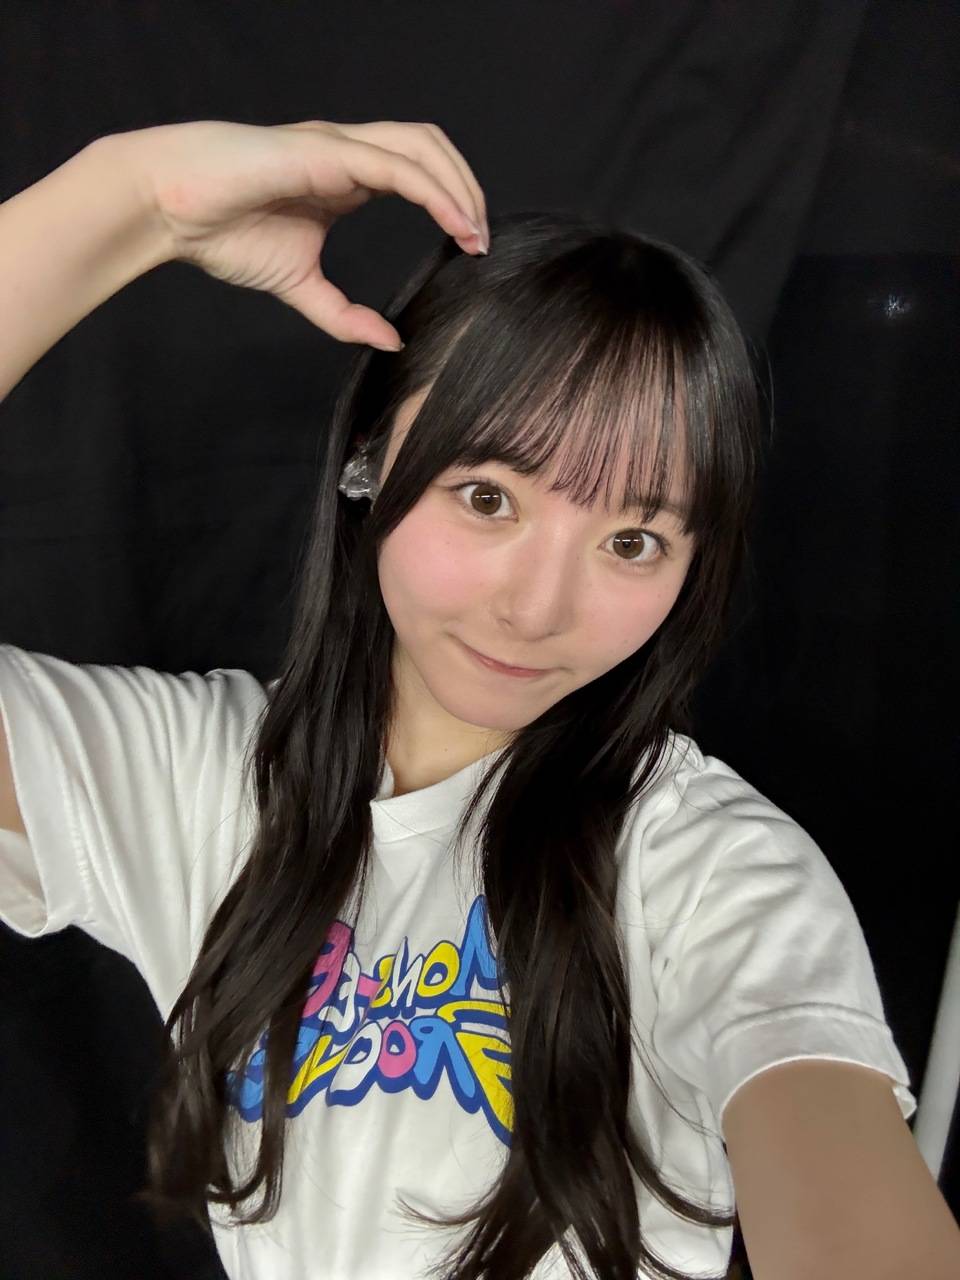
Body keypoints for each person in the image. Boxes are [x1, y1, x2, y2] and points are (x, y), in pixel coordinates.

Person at [0, 119, 933, 1280]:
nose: (538, 608)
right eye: (489, 497)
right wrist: (135, 197)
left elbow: (850, 1207)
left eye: (633, 539)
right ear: (370, 459)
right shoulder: (204, 780)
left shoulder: (710, 869)